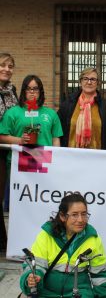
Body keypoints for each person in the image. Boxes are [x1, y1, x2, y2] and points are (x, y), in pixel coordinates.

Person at [19, 193, 106, 297]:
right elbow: (35, 266)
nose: (81, 220)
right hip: (47, 293)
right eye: (75, 214)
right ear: (62, 216)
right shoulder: (46, 235)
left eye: (84, 214)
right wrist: (31, 279)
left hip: (80, 293)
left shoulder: (93, 238)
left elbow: (101, 276)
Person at [0, 74, 62, 153]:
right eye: (28, 88)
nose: (32, 92)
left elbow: (55, 139)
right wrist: (20, 140)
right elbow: (1, 137)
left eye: (35, 89)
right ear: (23, 91)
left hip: (44, 161)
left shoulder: (51, 114)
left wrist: (56, 158)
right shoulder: (12, 112)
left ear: (40, 91)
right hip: (19, 161)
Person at [57, 67, 106, 149]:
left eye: (93, 79)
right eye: (85, 79)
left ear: (98, 83)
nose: (89, 82)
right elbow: (57, 129)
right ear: (80, 82)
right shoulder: (68, 104)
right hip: (71, 156)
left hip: (98, 157)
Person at [0, 52, 18, 251]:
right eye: (3, 65)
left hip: (7, 150)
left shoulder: (12, 90)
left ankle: (4, 243)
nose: (6, 69)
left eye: (10, 66)